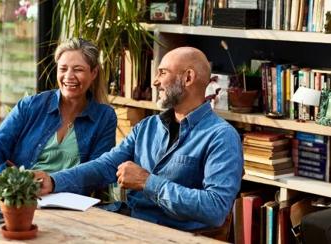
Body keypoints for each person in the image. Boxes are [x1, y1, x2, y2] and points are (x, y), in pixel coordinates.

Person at [34, 47, 244, 231]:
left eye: (162, 73)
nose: (155, 82)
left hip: (174, 235)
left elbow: (215, 208)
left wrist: (147, 182)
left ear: (188, 78)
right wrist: (54, 181)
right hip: (129, 223)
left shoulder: (222, 137)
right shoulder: (147, 126)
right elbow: (106, 166)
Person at [0, 38, 117, 179]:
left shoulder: (104, 118)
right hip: (19, 195)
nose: (68, 76)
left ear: (94, 73)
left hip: (64, 202)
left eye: (78, 70)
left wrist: (52, 182)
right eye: (63, 69)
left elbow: (97, 172)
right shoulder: (30, 106)